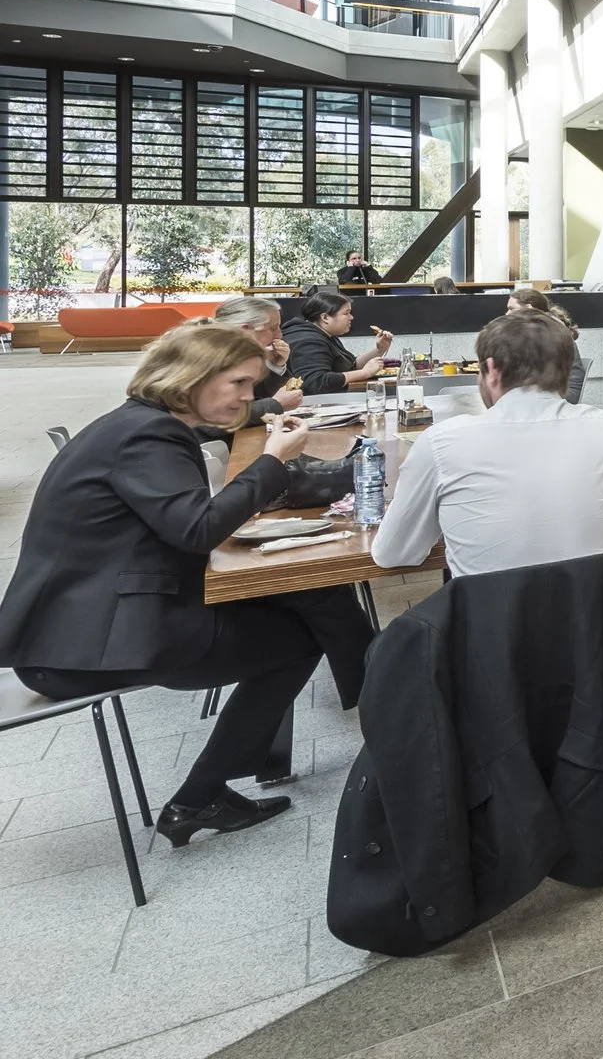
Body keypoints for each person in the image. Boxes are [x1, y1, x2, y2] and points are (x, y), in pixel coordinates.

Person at [0, 325, 375, 844]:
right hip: (83, 646)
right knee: (301, 632)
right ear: (190, 379)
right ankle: (204, 796)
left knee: (303, 601)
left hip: (87, 622)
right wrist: (273, 461)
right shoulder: (148, 436)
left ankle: (374, 693)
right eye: (239, 384)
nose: (249, 397)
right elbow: (198, 528)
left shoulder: (138, 424)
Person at [373, 310, 603, 579]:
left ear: (491, 370)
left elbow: (393, 553)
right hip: (599, 617)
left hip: (487, 620)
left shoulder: (440, 442)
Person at [281, 289, 391, 394]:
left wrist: (379, 349)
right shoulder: (307, 341)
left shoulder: (324, 334)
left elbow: (350, 366)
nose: (351, 317)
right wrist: (365, 373)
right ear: (325, 317)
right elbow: (317, 382)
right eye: (346, 313)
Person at [212, 296, 303, 422]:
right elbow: (217, 418)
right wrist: (276, 404)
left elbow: (266, 398)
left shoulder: (241, 357)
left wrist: (275, 366)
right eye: (272, 328)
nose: (279, 335)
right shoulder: (210, 360)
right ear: (244, 330)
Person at [507, 287, 589, 402]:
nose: (507, 314)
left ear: (528, 309)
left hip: (563, 393)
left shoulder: (547, 329)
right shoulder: (538, 326)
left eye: (511, 309)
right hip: (551, 390)